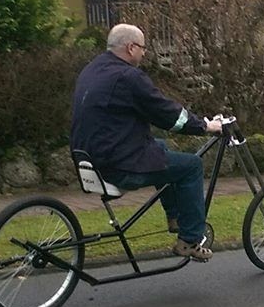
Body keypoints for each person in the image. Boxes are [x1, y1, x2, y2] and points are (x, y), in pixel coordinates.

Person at [70, 23, 223, 262]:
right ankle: (190, 240)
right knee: (191, 165)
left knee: (160, 147)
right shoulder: (129, 77)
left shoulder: (92, 69)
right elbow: (167, 114)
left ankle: (175, 218)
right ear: (131, 47)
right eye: (143, 48)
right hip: (118, 165)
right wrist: (205, 126)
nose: (144, 53)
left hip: (89, 157)